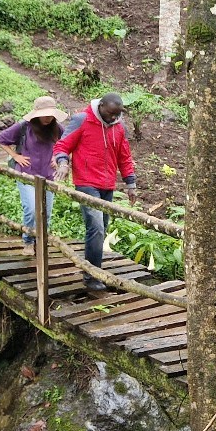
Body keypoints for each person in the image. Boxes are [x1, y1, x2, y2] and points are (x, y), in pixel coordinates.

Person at [53, 92, 139, 292]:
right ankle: (91, 276)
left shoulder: (118, 126)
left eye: (116, 115)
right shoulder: (82, 120)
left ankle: (93, 269)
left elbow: (124, 155)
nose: (112, 118)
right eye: (109, 114)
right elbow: (62, 145)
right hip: (86, 182)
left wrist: (130, 183)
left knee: (99, 229)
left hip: (107, 184)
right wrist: (63, 162)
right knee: (97, 227)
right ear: (100, 106)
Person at [0, 96, 68, 254]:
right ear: (36, 114)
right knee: (30, 209)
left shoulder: (58, 129)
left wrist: (56, 157)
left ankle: (40, 240)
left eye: (50, 114)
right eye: (44, 114)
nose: (48, 118)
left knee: (46, 213)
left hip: (48, 176)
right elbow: (1, 139)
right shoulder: (24, 127)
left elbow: (65, 145)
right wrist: (16, 156)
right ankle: (28, 241)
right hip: (26, 174)